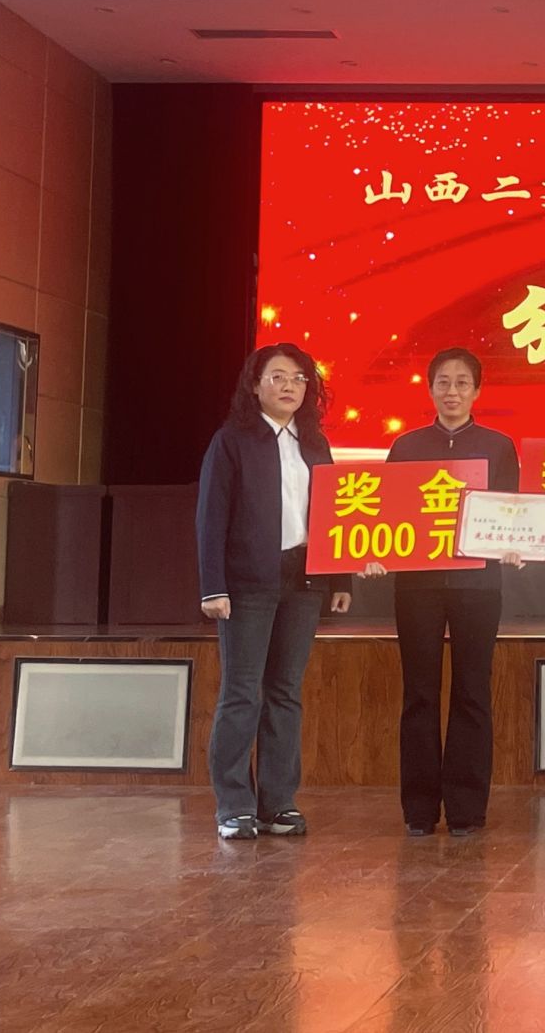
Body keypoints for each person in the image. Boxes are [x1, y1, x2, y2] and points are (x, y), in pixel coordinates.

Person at [360, 347, 520, 838]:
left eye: (462, 383)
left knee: (473, 691)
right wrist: (374, 552)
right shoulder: (406, 447)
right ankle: (420, 809)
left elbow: (514, 511)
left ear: (477, 390)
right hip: (418, 586)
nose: (452, 391)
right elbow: (384, 514)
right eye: (443, 382)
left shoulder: (498, 446)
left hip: (479, 585)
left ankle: (468, 809)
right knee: (420, 693)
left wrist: (517, 544)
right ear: (430, 389)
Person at [196, 342, 352, 841]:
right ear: (255, 385)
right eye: (278, 377)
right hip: (247, 583)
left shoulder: (315, 443)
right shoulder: (232, 441)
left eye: (299, 379)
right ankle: (234, 805)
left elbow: (337, 513)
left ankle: (278, 803)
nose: (289, 387)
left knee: (285, 693)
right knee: (242, 692)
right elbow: (210, 518)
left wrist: (340, 578)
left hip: (303, 580)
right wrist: (212, 586)